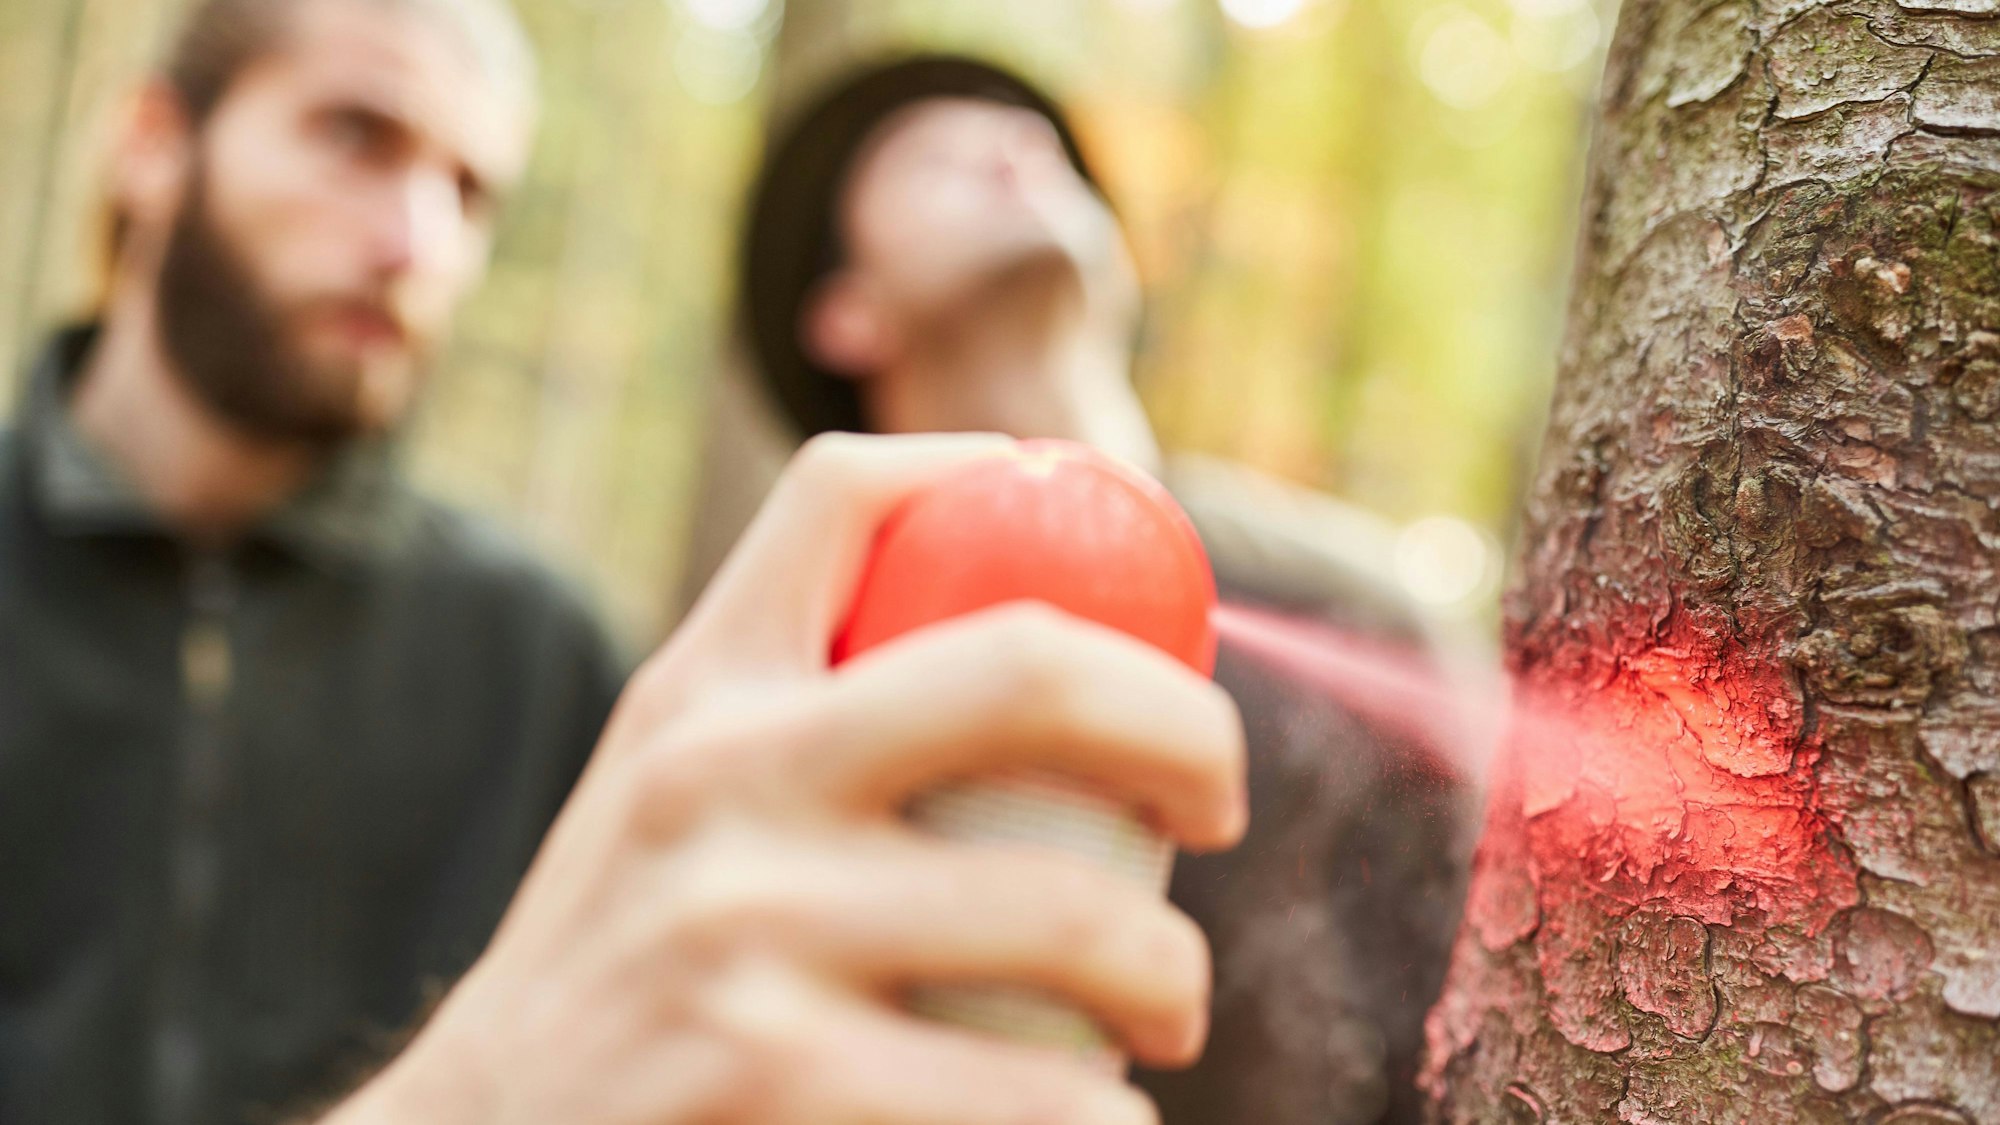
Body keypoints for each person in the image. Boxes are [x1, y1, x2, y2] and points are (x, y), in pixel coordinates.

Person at [1, 4, 1245, 1122]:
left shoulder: (546, 658)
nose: (416, 240)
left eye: (471, 193)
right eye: (356, 136)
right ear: (156, 143)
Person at [737, 55, 1481, 1123]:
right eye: (935, 159)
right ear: (842, 313)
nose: (1012, 150)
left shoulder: (1363, 608)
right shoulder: (785, 664)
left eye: (1045, 153)